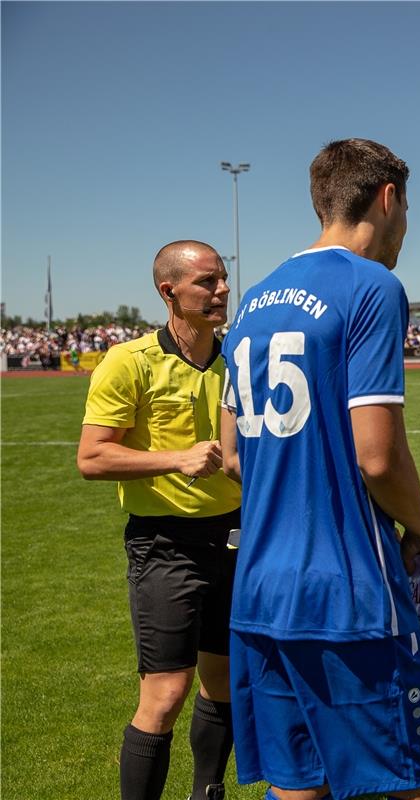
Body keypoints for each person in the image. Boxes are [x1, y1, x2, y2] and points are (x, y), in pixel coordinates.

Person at [219, 139, 420, 800]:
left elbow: (232, 454)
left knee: (300, 787)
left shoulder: (253, 302)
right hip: (345, 595)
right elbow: (377, 456)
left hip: (258, 591)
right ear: (389, 198)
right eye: (406, 209)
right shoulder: (373, 288)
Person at [77, 240, 241, 800]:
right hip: (165, 545)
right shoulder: (129, 362)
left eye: (223, 279)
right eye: (207, 282)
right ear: (168, 291)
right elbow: (92, 457)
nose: (222, 290)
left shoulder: (239, 357)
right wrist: (177, 457)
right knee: (167, 694)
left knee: (223, 685)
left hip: (239, 538)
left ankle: (207, 792)